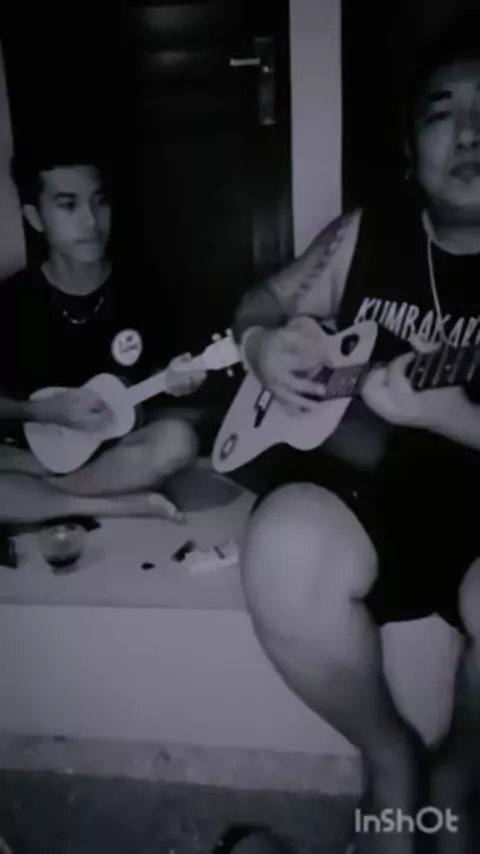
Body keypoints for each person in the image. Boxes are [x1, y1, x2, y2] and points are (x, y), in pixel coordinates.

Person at [230, 22, 480, 854]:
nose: (469, 132)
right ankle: (389, 758)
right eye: (442, 113)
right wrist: (262, 345)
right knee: (281, 547)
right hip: (371, 495)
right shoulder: (365, 231)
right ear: (412, 149)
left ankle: (460, 778)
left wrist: (454, 416)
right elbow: (261, 303)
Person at [0, 139, 209, 525]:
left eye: (100, 202)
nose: (91, 222)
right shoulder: (11, 300)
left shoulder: (145, 289)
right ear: (35, 218)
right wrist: (39, 411)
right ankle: (113, 504)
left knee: (177, 441)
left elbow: (162, 377)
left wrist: (177, 380)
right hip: (32, 455)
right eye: (68, 206)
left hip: (116, 450)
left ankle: (44, 498)